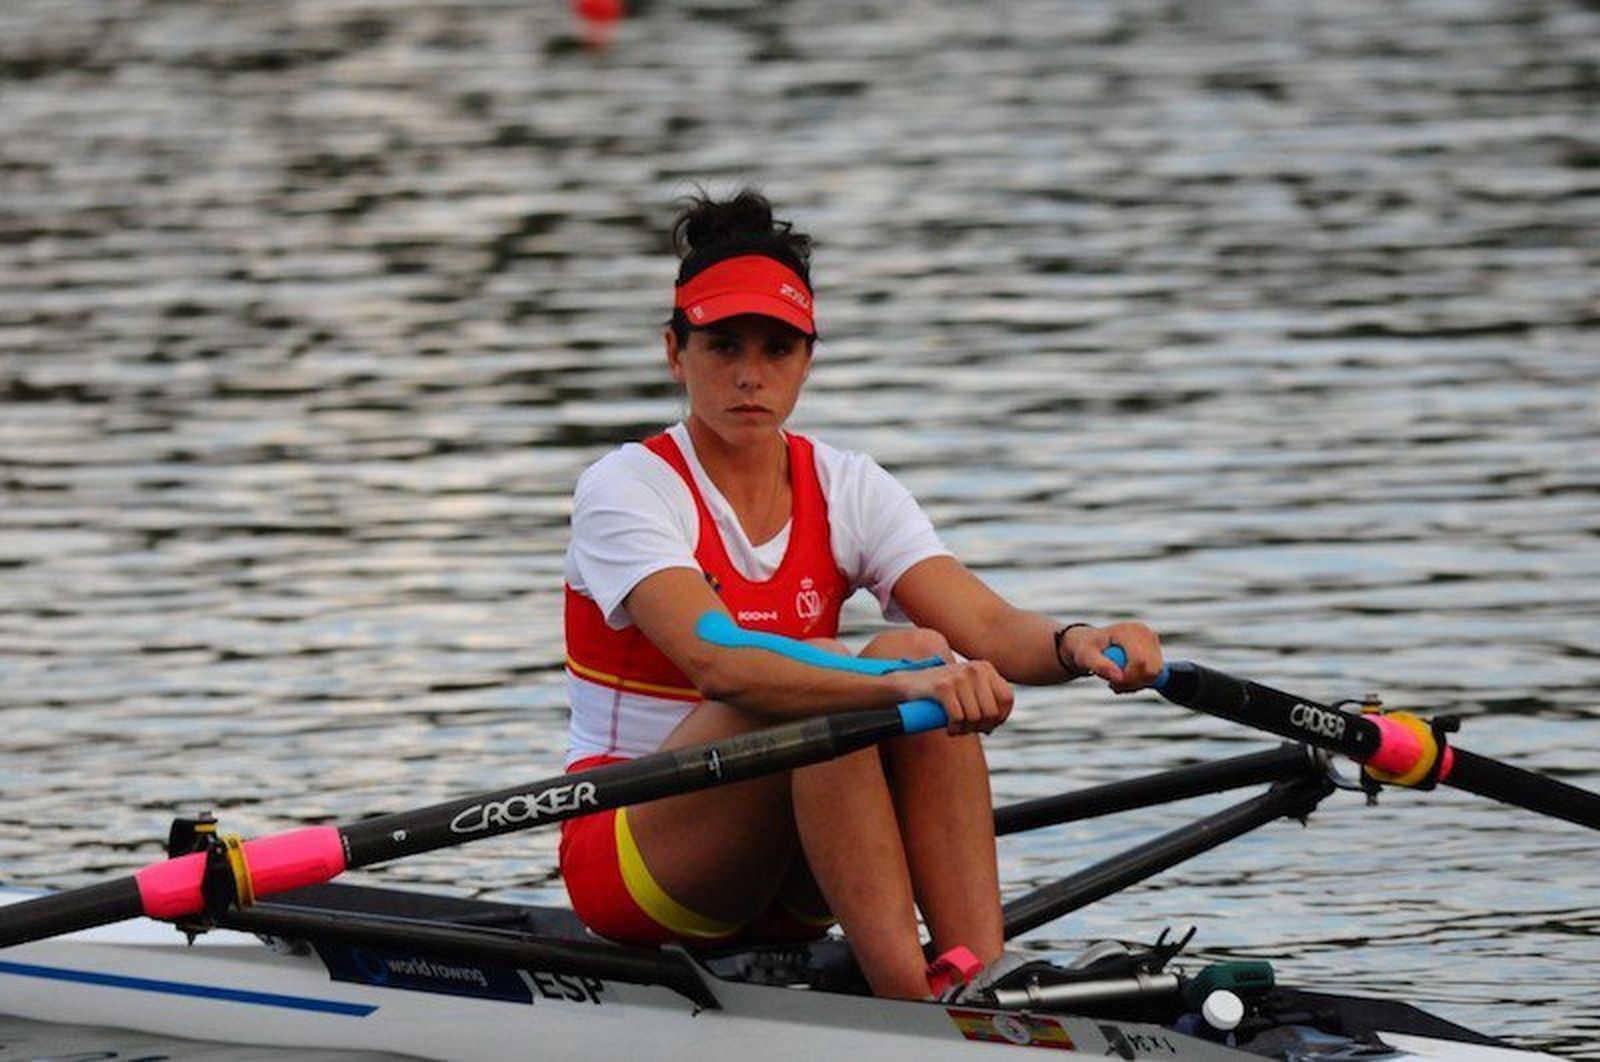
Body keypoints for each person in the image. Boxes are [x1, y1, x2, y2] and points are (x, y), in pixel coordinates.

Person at [558, 188, 1164, 1000]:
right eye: (722, 347)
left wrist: (1075, 644)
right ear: (675, 353)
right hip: (639, 852)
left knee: (921, 647)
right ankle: (916, 1014)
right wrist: (894, 684)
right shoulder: (628, 486)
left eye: (777, 349)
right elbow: (718, 665)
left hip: (802, 868)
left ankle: (974, 981)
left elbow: (984, 623)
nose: (749, 375)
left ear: (808, 359)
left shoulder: (849, 486)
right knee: (852, 675)